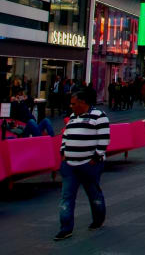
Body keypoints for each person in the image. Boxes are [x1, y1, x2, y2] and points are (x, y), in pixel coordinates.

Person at [55, 87, 110, 241]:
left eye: (73, 104)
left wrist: (96, 158)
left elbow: (104, 139)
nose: (71, 106)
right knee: (67, 196)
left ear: (82, 102)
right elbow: (65, 136)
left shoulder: (99, 116)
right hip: (70, 165)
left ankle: (98, 220)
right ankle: (65, 228)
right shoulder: (73, 117)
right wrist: (63, 153)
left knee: (93, 194)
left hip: (89, 165)